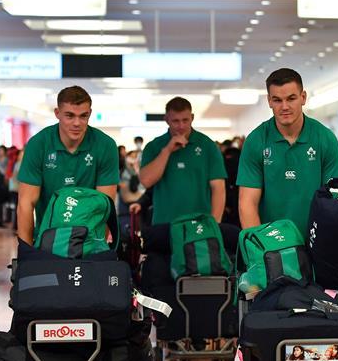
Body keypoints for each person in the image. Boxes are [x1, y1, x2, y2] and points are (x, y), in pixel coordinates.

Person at [237, 68, 338, 236]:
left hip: (316, 241)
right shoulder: (256, 140)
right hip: (271, 244)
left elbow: (335, 199)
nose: (284, 107)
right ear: (269, 101)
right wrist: (261, 248)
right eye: (277, 100)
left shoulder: (325, 139)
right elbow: (247, 203)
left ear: (303, 97)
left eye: (291, 98)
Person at [17, 85, 119, 245]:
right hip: (47, 240)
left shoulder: (105, 145)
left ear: (90, 113)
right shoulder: (38, 144)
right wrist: (25, 252)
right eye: (69, 116)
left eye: (83, 116)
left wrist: (99, 246)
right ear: (57, 113)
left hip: (89, 241)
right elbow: (26, 203)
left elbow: (104, 205)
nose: (77, 123)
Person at [139, 96, 226, 225]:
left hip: (200, 225)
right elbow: (146, 181)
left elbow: (218, 188)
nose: (181, 126)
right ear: (166, 120)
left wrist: (215, 223)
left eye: (185, 120)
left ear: (192, 117)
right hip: (163, 224)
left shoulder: (208, 145)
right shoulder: (154, 147)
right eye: (176, 121)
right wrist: (167, 150)